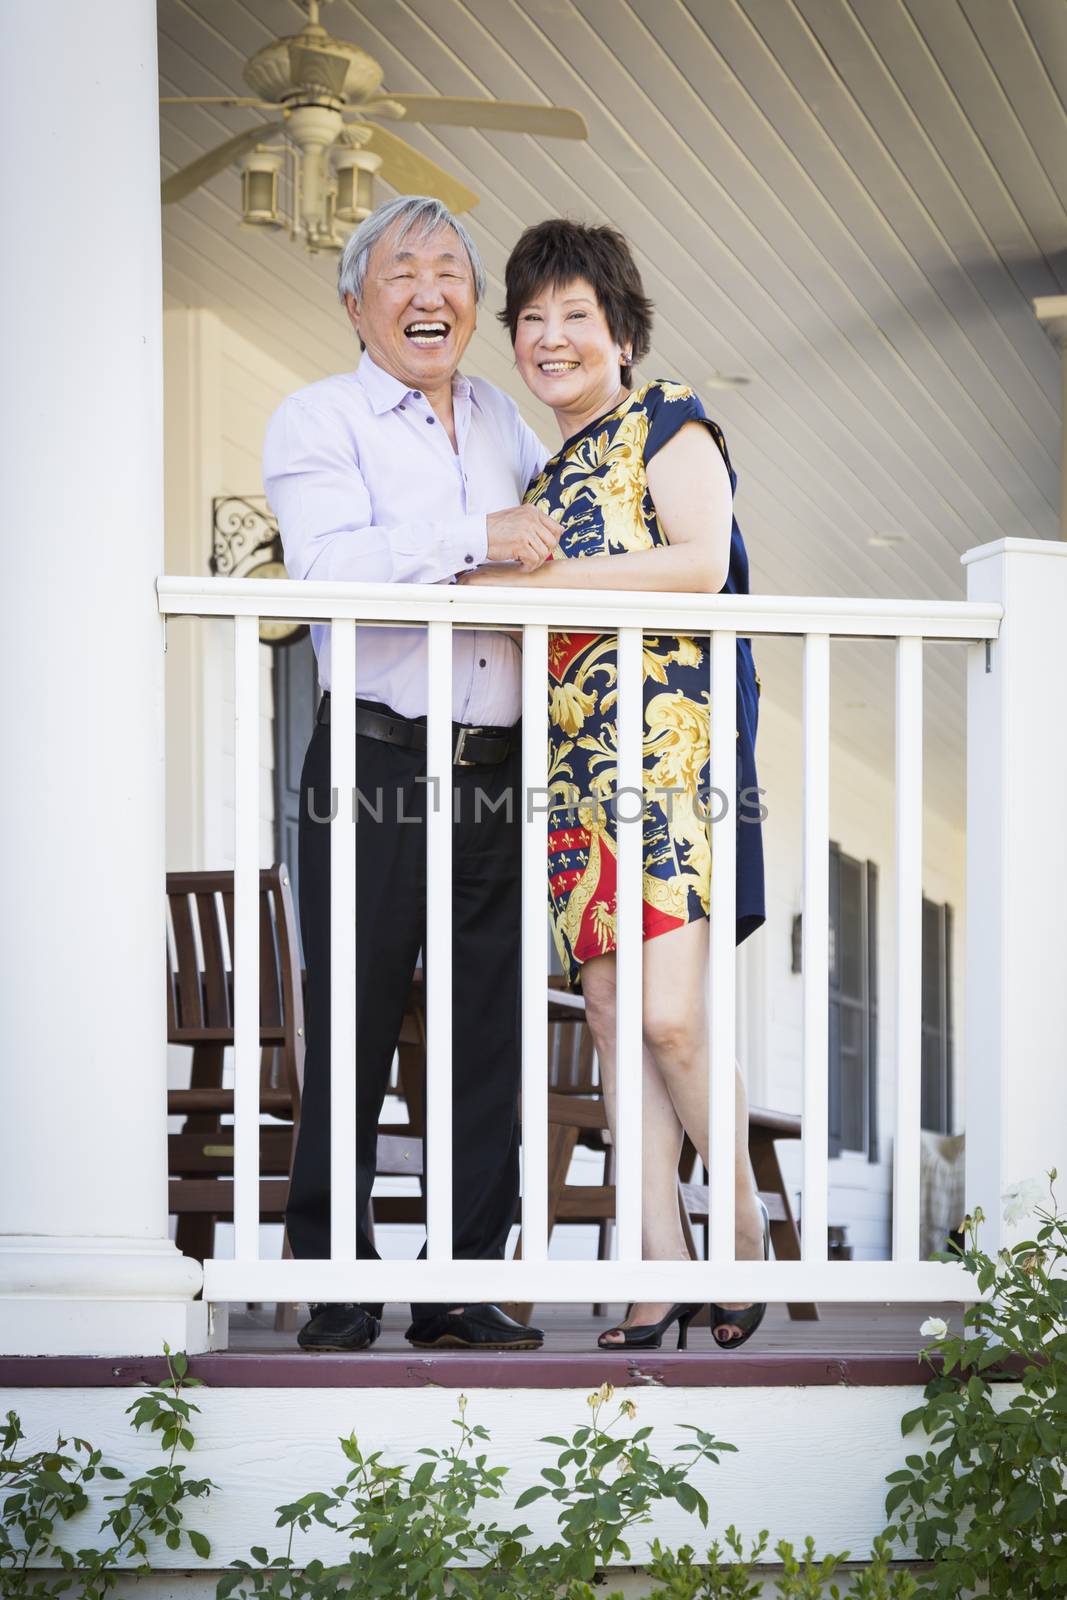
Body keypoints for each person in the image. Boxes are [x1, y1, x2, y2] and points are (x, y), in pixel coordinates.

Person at [461, 218, 769, 1351]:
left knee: (671, 1016)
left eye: (574, 316)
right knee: (607, 1014)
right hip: (576, 769)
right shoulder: (541, 473)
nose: (550, 338)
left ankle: (737, 1238)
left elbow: (698, 563)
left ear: (622, 333)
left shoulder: (666, 420)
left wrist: (547, 583)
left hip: (669, 754)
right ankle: (655, 1272)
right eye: (531, 319)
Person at [263, 196, 560, 1353]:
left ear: (476, 306)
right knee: (355, 1019)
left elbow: (562, 545)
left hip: (495, 766)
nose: (429, 290)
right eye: (402, 272)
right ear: (355, 303)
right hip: (375, 757)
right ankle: (338, 1280)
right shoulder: (318, 418)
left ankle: (460, 1285)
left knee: (487, 1026)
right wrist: (475, 540)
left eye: (450, 271)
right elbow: (332, 568)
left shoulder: (506, 421)